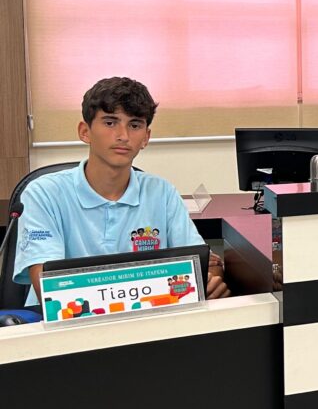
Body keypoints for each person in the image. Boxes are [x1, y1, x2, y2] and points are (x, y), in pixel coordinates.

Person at [13, 77, 230, 307]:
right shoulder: (43, 194)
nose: (123, 136)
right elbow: (50, 289)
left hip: (147, 319)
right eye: (110, 122)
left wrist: (211, 281)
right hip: (65, 324)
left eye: (134, 125)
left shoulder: (162, 193)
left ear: (146, 138)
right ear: (85, 132)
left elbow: (204, 263)